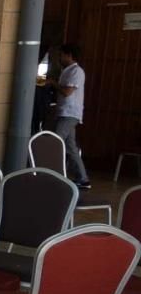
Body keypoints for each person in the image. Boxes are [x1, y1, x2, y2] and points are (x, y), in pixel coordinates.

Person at [49, 43, 91, 189]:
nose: (60, 57)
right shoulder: (66, 71)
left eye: (61, 54)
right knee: (70, 147)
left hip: (70, 112)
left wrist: (52, 83)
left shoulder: (76, 72)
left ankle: (52, 174)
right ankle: (83, 178)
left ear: (69, 55)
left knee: (55, 141)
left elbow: (67, 92)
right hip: (64, 112)